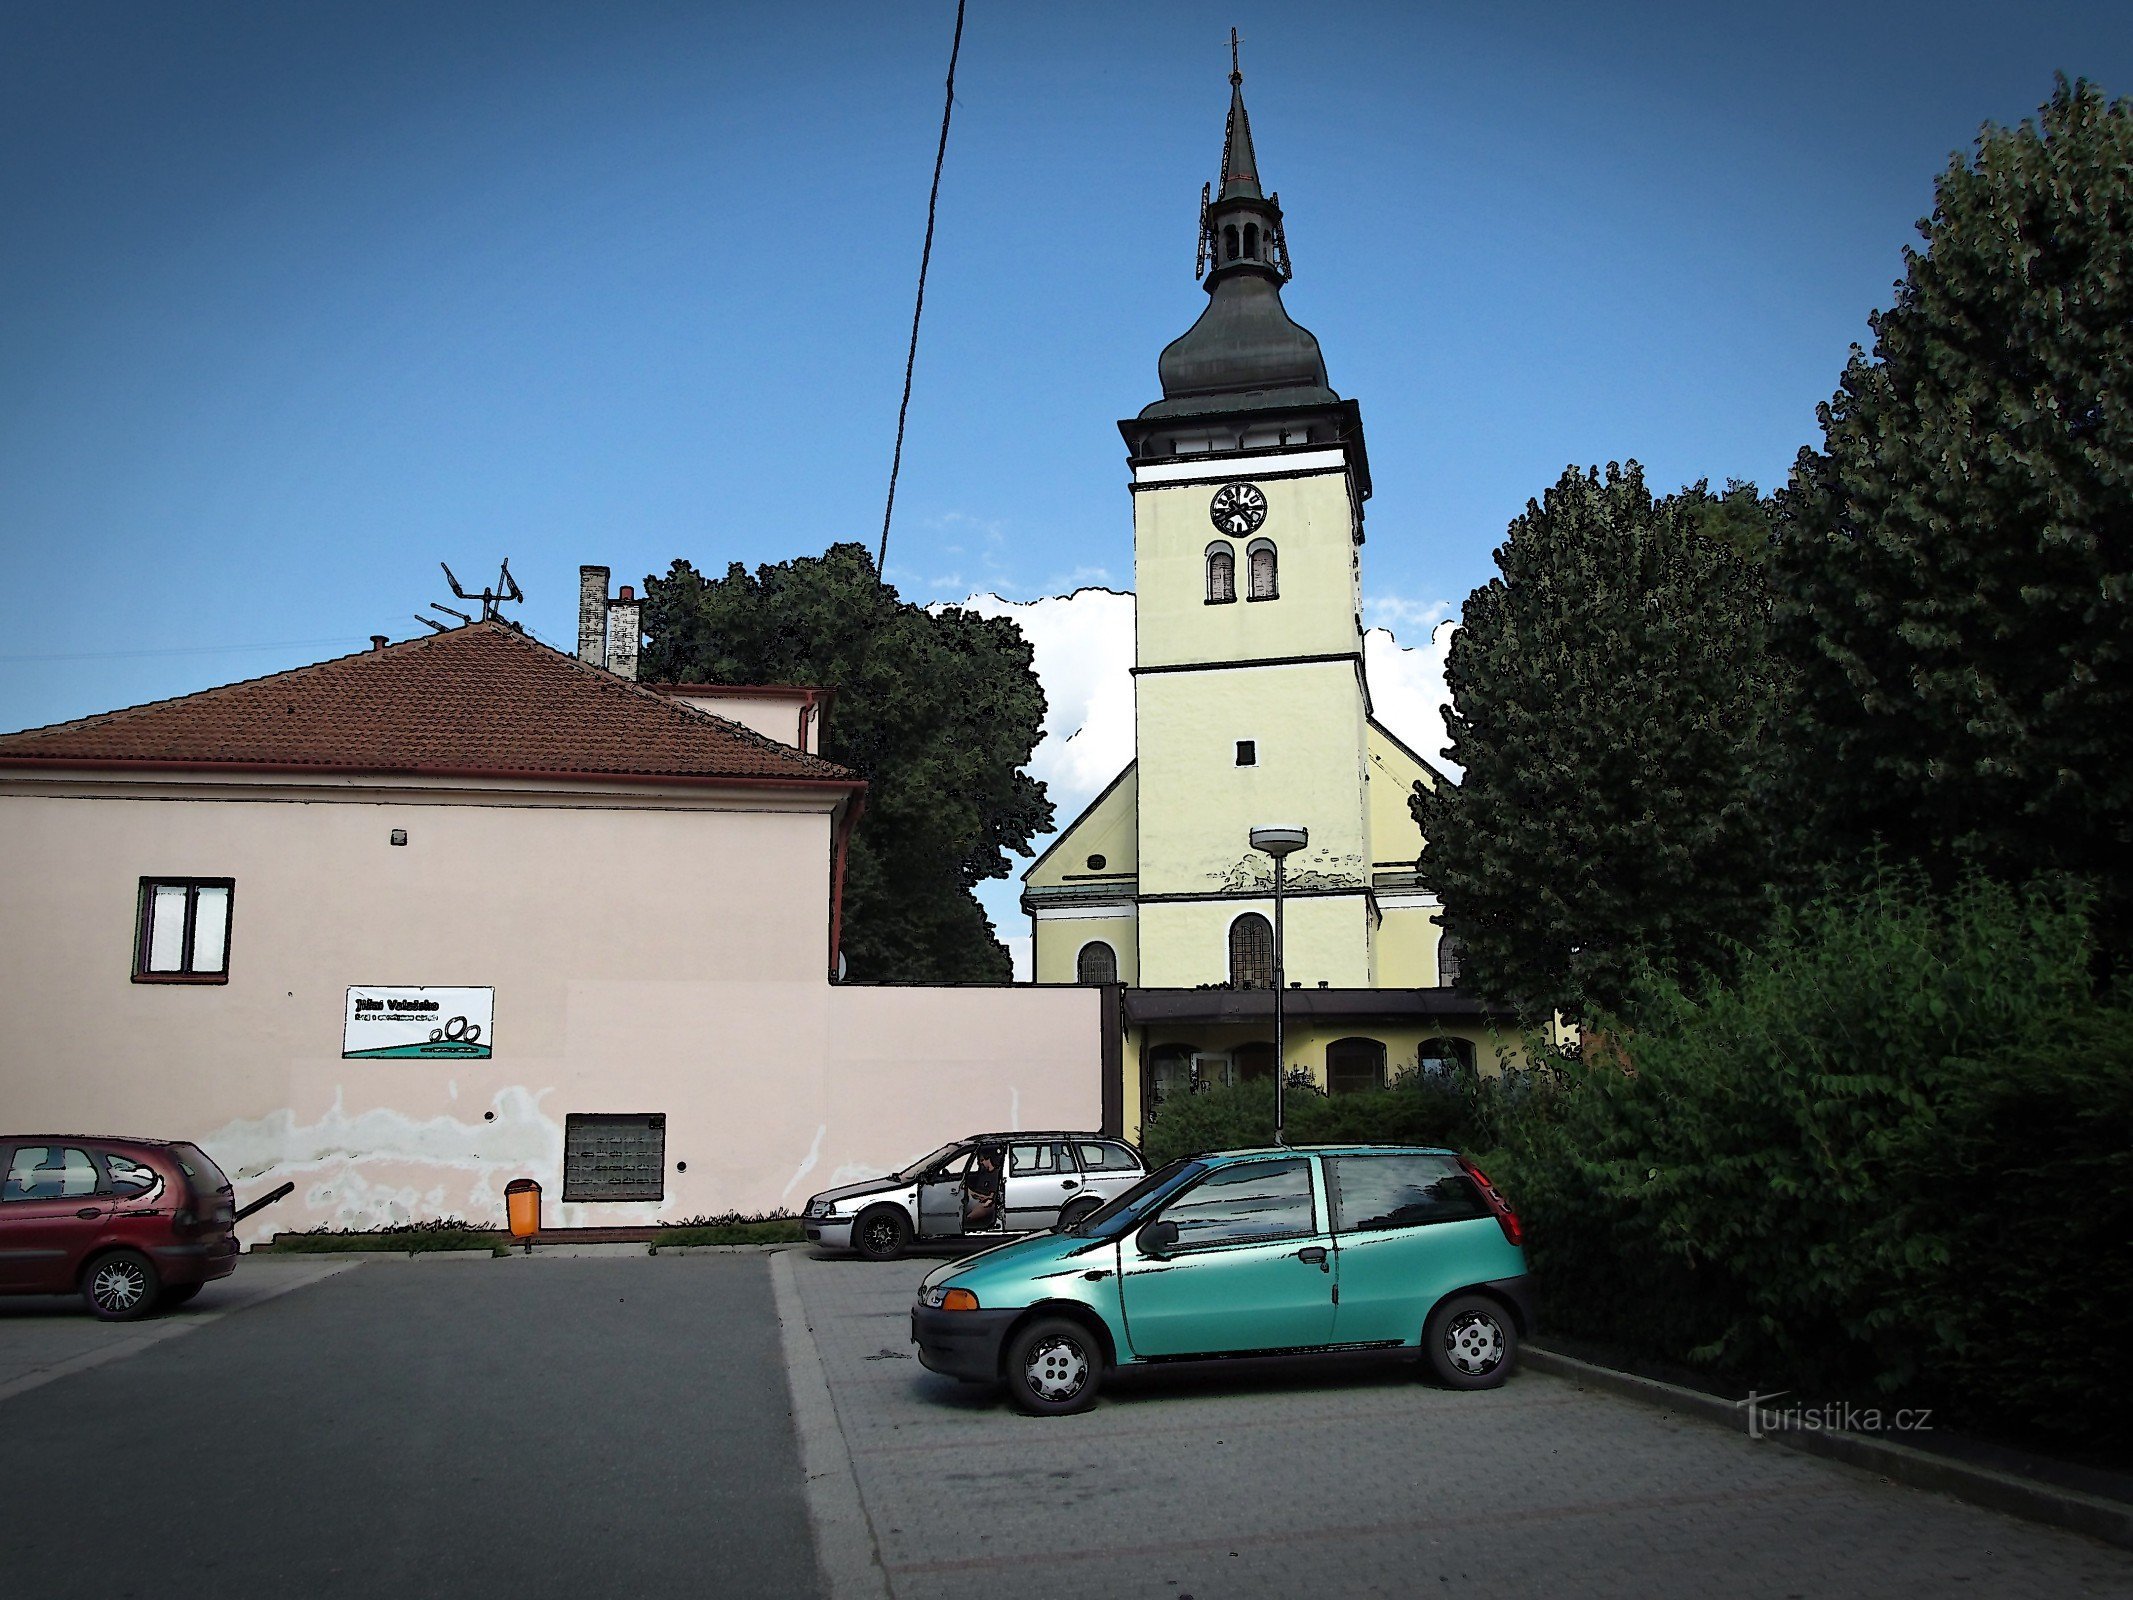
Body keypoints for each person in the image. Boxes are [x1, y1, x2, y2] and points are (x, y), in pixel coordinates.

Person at [962, 1147, 1004, 1232]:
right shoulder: (984, 1173)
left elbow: (990, 1198)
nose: (980, 1163)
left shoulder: (995, 1175)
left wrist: (973, 1194)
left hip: (987, 1204)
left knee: (969, 1218)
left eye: (982, 1160)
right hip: (976, 1200)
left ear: (988, 1159)